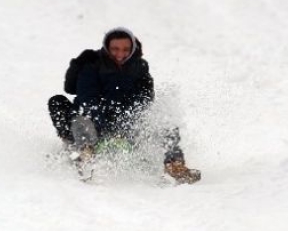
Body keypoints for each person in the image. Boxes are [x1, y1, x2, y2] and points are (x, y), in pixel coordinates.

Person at [48, 27, 201, 184]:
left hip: (127, 125)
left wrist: (127, 123)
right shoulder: (91, 66)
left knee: (165, 120)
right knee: (67, 109)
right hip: (95, 125)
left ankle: (174, 166)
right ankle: (84, 157)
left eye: (125, 49)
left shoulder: (140, 68)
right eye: (115, 49)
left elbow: (145, 100)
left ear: (132, 49)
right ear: (107, 48)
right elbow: (88, 101)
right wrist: (108, 125)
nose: (120, 54)